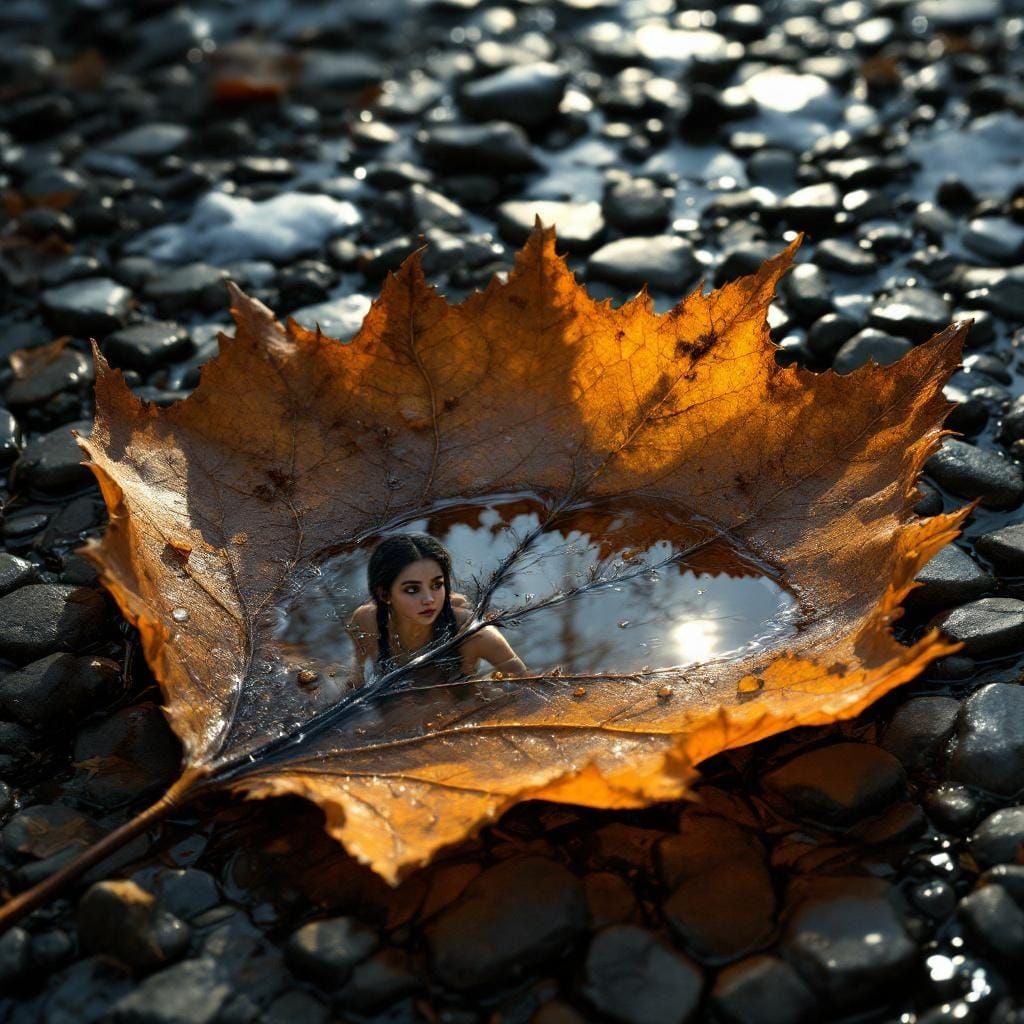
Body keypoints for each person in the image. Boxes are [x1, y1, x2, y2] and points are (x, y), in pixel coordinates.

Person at [345, 532, 528, 688]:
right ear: (385, 594)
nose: (429, 599)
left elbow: (529, 687)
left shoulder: (473, 634)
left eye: (437, 585)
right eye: (412, 589)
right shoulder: (366, 622)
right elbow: (354, 677)